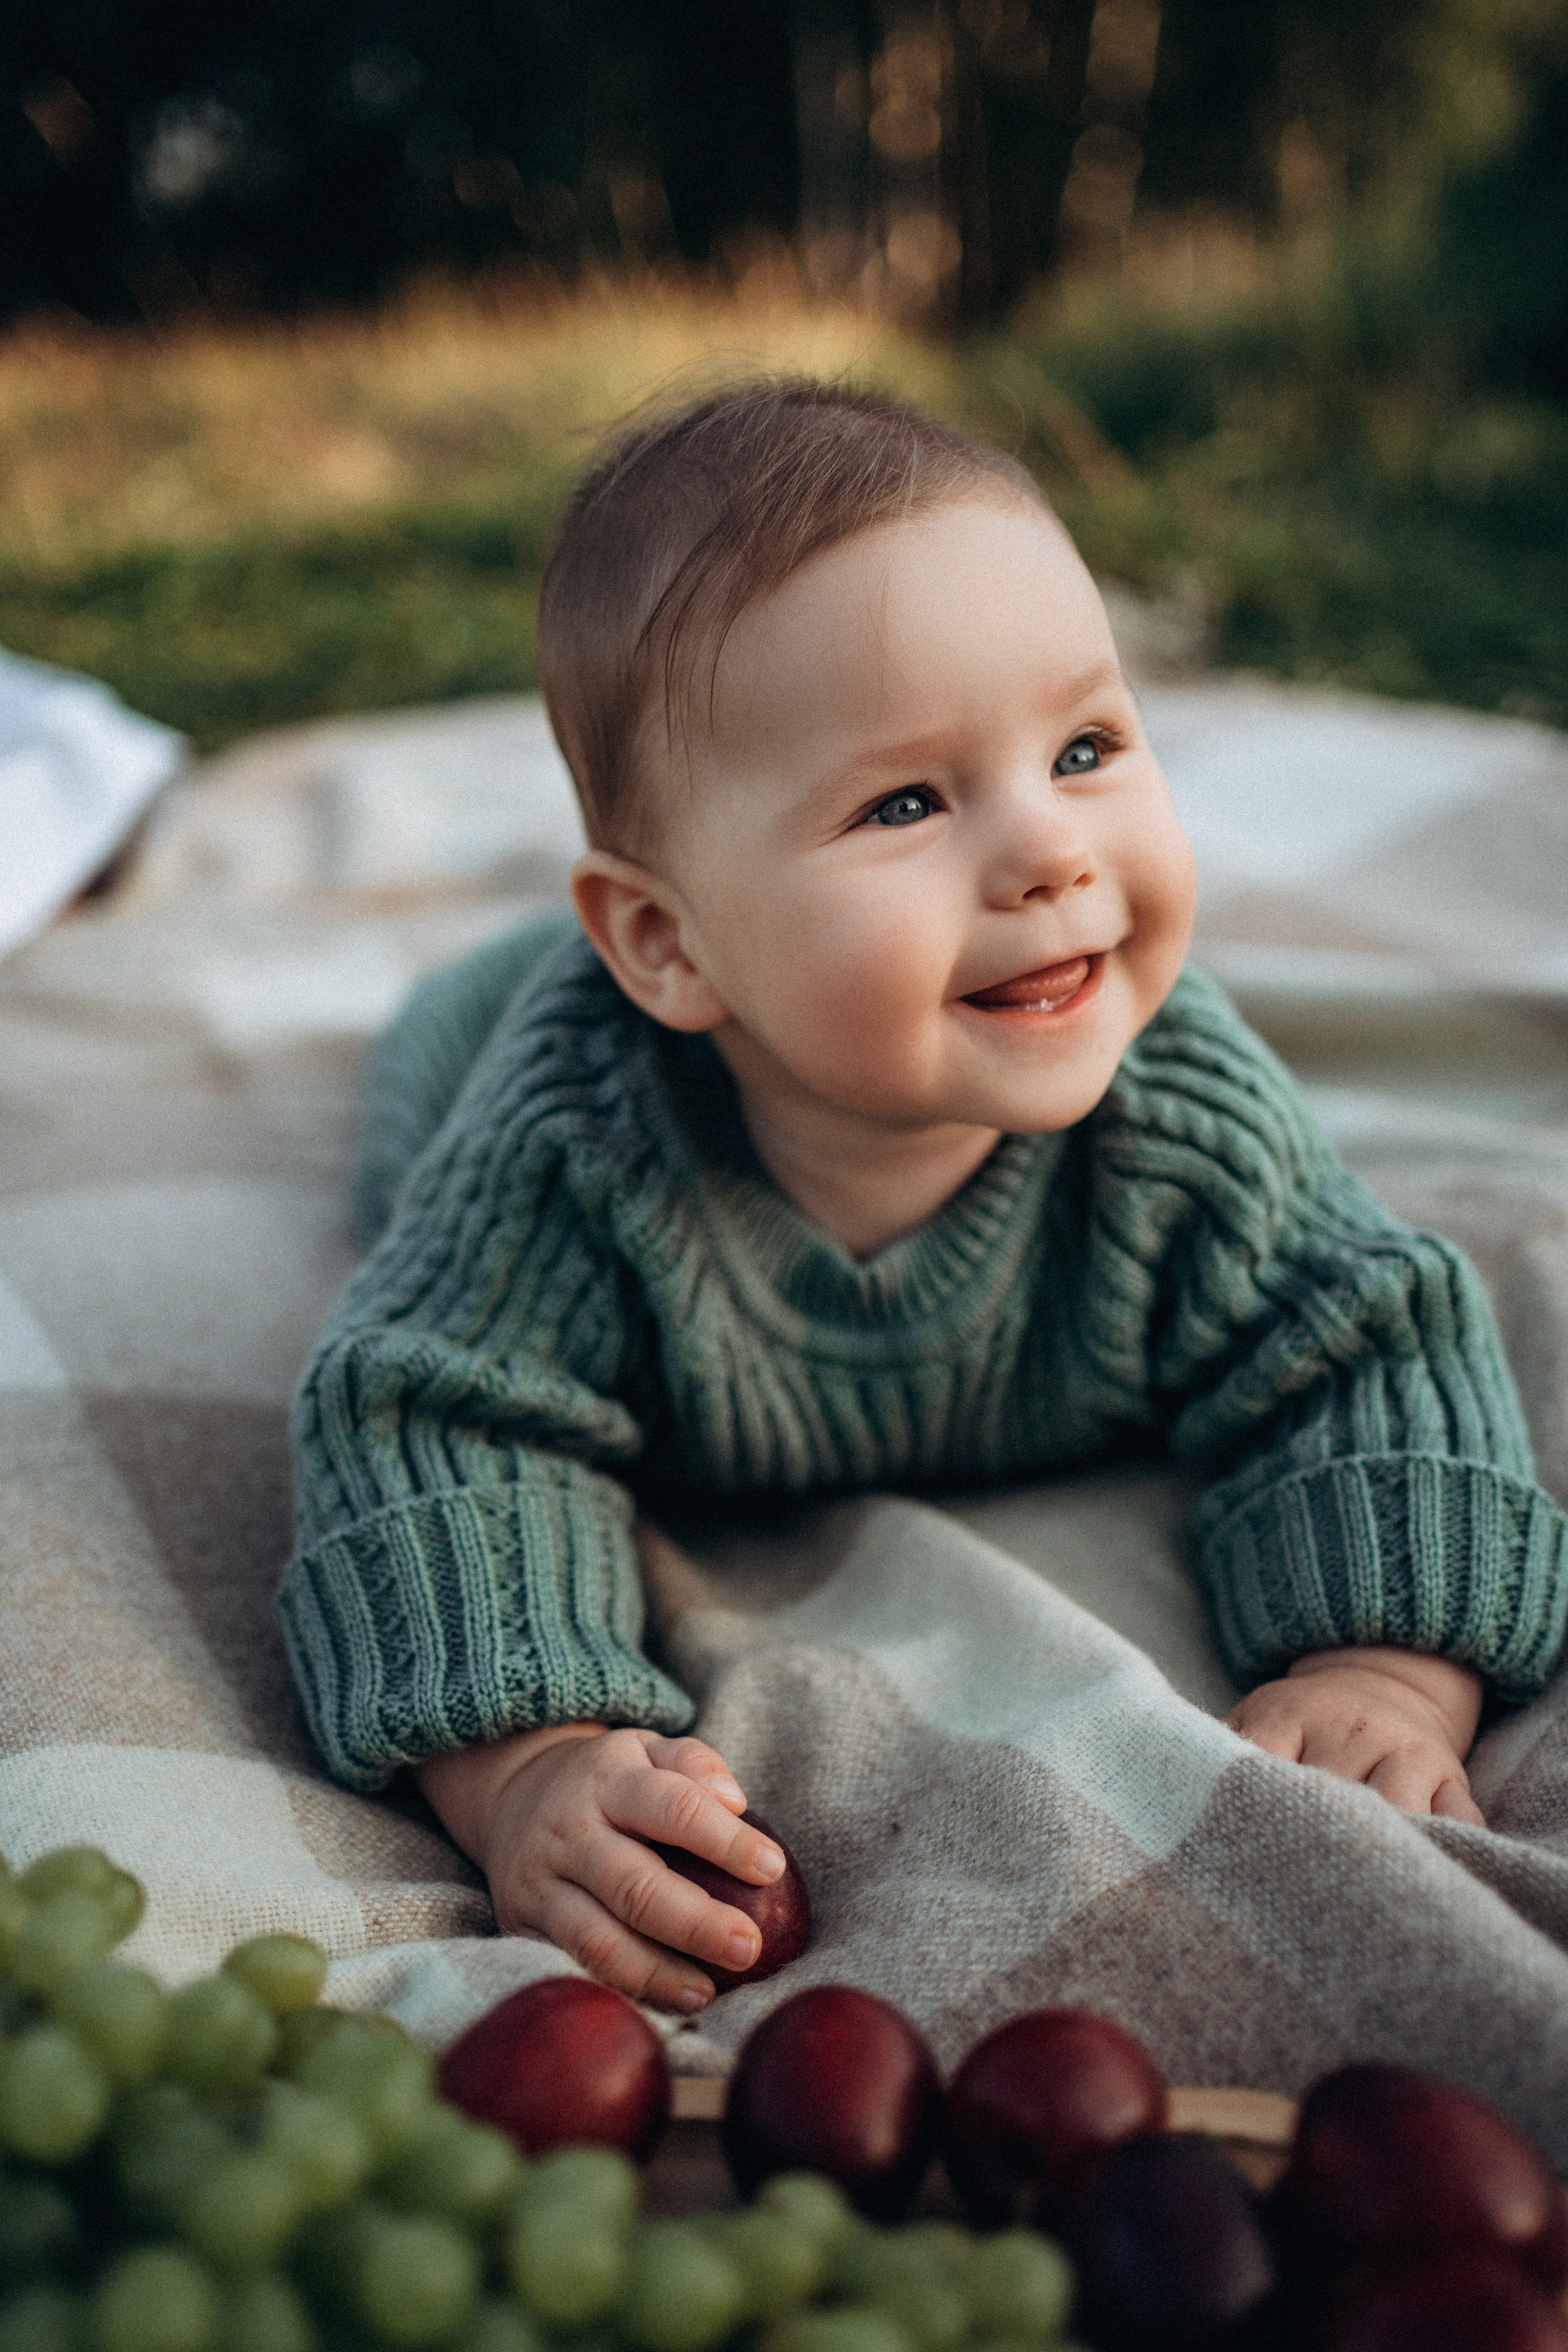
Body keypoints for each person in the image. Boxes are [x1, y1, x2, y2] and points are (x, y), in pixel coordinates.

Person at [281, 381, 1568, 2015]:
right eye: (906, 802)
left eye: (1087, 747)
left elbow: (1367, 1335)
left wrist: (1387, 1664)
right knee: (426, 1118)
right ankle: (526, 960)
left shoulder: (1181, 1116)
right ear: (667, 944)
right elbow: (423, 1420)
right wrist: (526, 1764)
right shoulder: (564, 1158)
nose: (1049, 853)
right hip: (493, 1047)